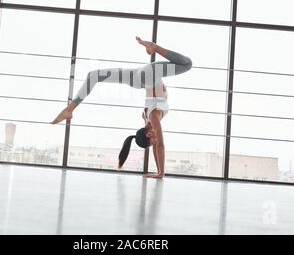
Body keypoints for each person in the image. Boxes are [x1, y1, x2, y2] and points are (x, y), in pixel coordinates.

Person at [51, 36, 192, 179]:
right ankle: (70, 109)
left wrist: (161, 173)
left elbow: (160, 145)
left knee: (187, 64)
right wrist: (158, 172)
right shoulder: (147, 119)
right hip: (138, 78)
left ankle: (154, 47)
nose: (155, 143)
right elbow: (157, 146)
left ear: (149, 134)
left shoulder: (154, 117)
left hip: (149, 74)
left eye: (152, 142)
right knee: (94, 75)